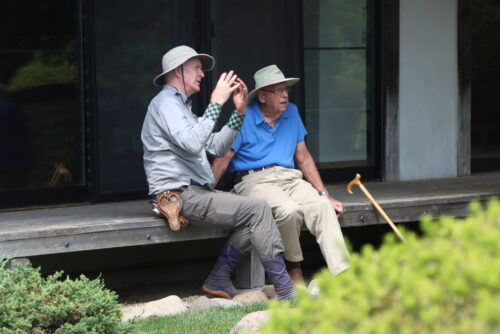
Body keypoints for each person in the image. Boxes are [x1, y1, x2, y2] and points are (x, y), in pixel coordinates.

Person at [141, 47, 294, 300]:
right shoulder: (166, 104)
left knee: (256, 214)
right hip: (180, 195)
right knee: (258, 210)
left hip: (193, 192)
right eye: (197, 68)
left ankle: (219, 277)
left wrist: (239, 112)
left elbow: (215, 146)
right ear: (178, 71)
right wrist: (215, 102)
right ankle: (286, 291)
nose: (202, 74)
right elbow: (192, 142)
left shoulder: (180, 106)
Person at [212, 65, 350, 282]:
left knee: (323, 207)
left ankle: (344, 274)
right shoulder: (243, 117)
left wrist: (324, 193)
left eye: (285, 90)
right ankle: (293, 267)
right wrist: (203, 194)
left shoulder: (292, 113)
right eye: (278, 91)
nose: (284, 95)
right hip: (254, 180)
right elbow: (223, 160)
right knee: (289, 210)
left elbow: (303, 156)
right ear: (263, 96)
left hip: (290, 177)